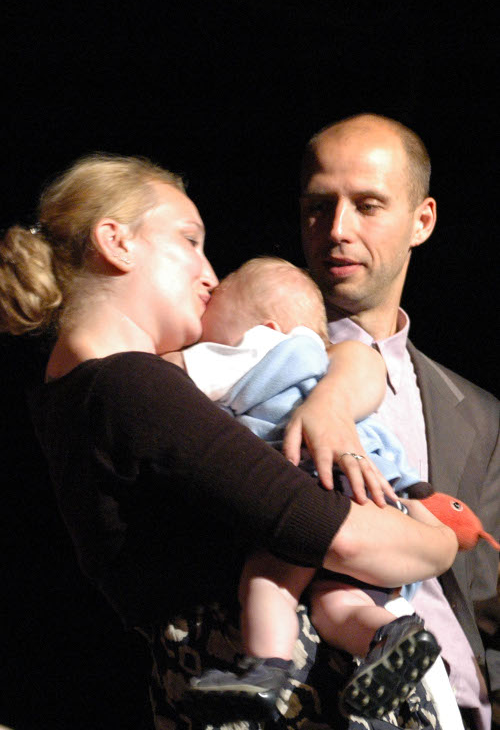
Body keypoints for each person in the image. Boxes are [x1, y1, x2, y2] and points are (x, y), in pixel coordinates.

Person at [0, 153, 458, 730]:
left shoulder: (73, 395)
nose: (210, 275)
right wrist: (440, 542)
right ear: (117, 242)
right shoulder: (130, 384)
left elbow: (336, 354)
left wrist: (331, 401)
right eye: (189, 240)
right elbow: (337, 535)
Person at [300, 113, 500, 730]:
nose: (338, 229)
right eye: (319, 206)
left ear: (423, 221)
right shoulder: (256, 362)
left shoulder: (475, 411)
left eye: (367, 205)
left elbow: (487, 600)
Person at [177, 256, 443, 719]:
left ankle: (264, 670)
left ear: (266, 328)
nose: (206, 335)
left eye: (214, 319)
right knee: (337, 601)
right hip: (378, 499)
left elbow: (169, 374)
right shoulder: (328, 372)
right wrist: (409, 490)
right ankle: (387, 635)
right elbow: (388, 452)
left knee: (268, 580)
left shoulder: (258, 349)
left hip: (316, 486)